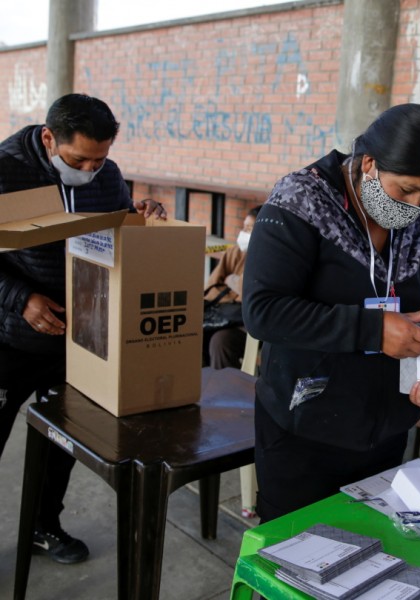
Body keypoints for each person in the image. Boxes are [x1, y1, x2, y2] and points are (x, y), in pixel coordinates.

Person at [243, 103, 420, 521]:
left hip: (388, 428)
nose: (415, 205)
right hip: (303, 426)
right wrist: (372, 329)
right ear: (370, 163)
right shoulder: (300, 203)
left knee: (374, 554)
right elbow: (263, 311)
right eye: (405, 190)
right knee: (297, 557)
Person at [0, 93, 165, 564]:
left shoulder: (105, 175)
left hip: (76, 337)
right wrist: (20, 299)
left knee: (61, 440)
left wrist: (139, 216)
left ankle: (43, 525)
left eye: (101, 158)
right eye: (79, 160)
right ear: (49, 138)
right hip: (8, 336)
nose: (90, 169)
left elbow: (111, 229)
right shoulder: (5, 170)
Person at [203, 207, 260, 369]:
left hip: (249, 325)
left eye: (250, 229)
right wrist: (236, 286)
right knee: (196, 334)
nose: (244, 232)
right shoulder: (235, 252)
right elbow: (212, 288)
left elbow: (251, 294)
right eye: (244, 228)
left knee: (220, 342)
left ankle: (224, 391)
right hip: (224, 316)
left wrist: (231, 280)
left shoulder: (269, 257)